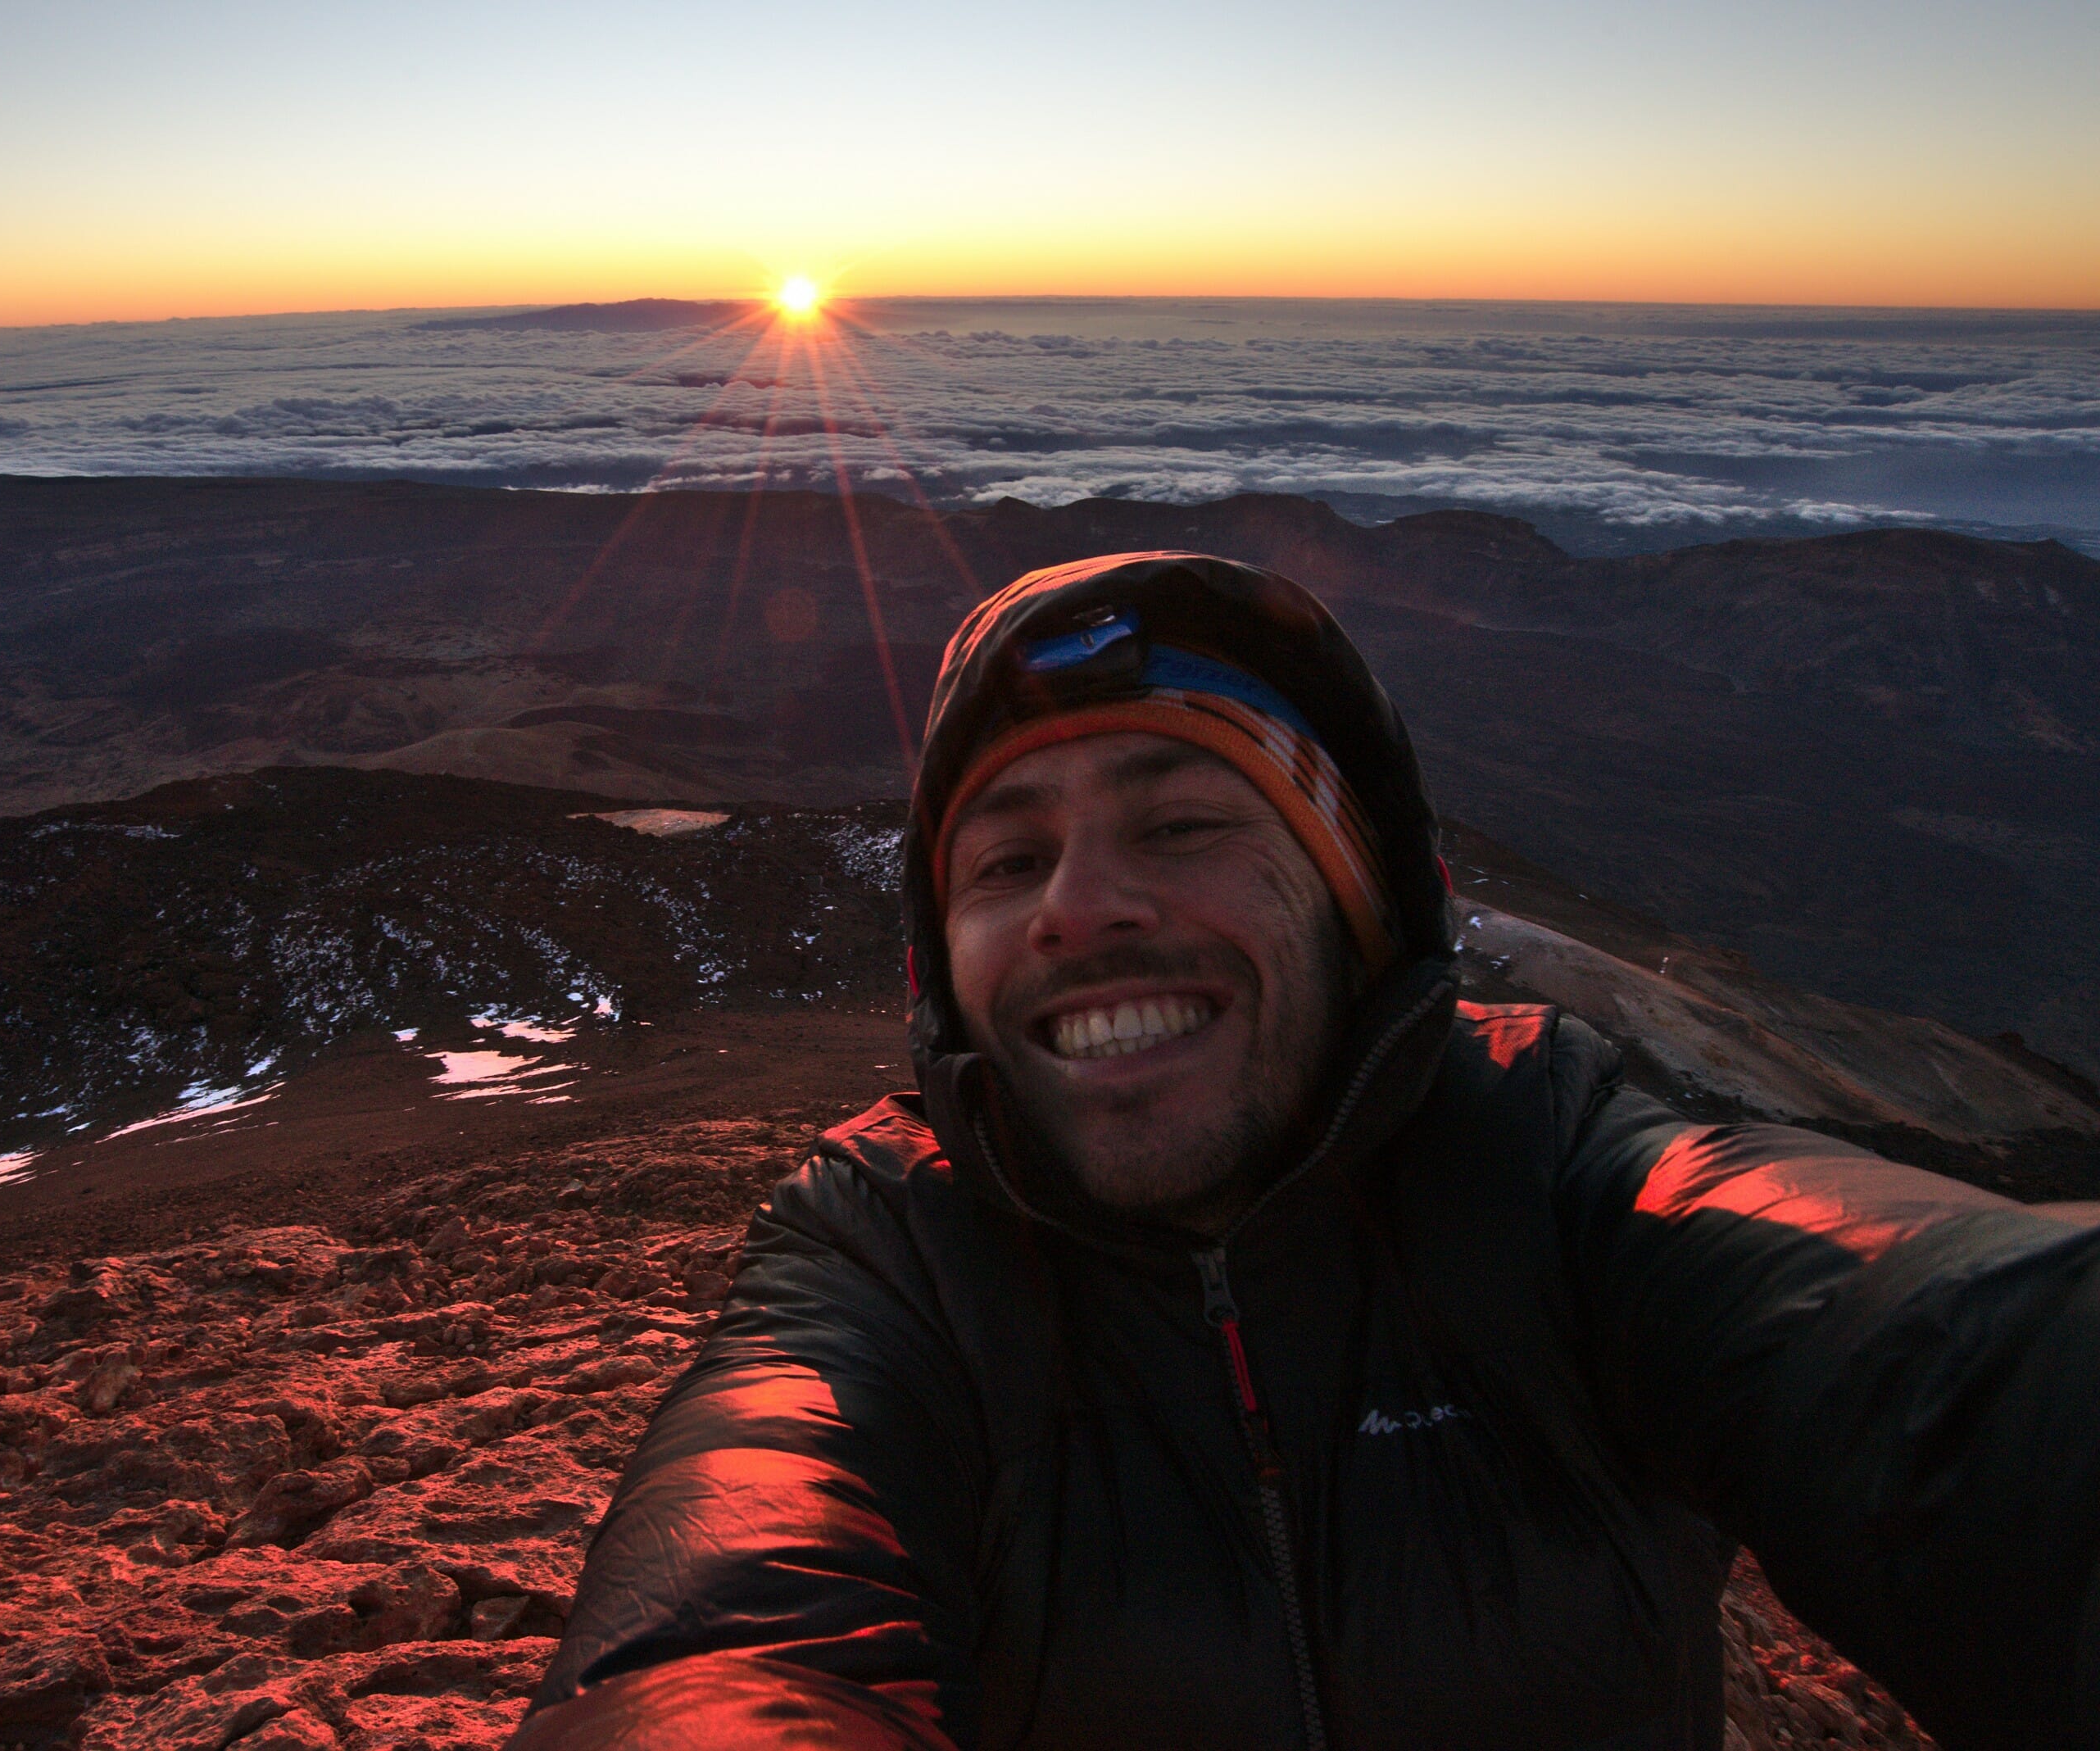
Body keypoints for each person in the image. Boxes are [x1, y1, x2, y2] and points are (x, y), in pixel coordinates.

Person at [506, 552, 2100, 1750]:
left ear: (1357, 900)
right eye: (1004, 859)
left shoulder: (1554, 1160)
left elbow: (1937, 1358)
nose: (1078, 905)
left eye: (1184, 822)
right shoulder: (889, 1248)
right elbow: (726, 1633)